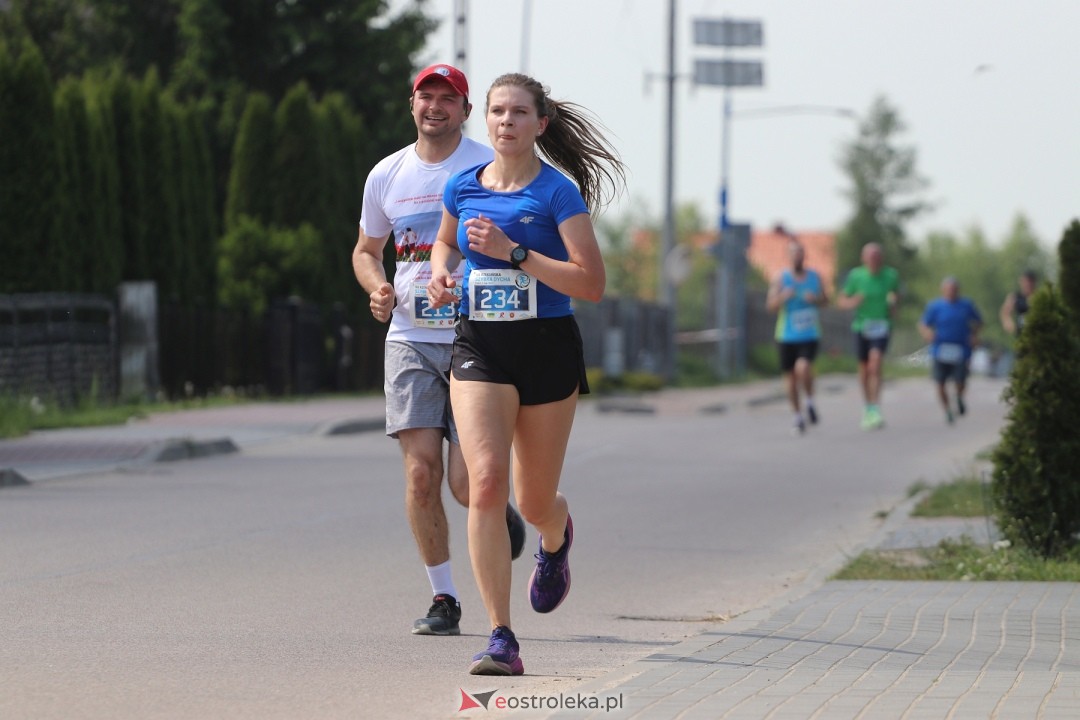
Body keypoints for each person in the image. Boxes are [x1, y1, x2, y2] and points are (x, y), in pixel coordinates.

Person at [426, 73, 626, 676]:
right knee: (485, 485)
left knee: (532, 498)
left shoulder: (558, 194)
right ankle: (500, 637)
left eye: (518, 112)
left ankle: (556, 536)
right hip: (480, 346)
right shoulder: (462, 187)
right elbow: (445, 245)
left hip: (546, 347)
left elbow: (590, 283)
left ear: (541, 124)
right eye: (496, 111)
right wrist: (441, 274)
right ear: (483, 121)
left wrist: (517, 252)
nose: (505, 121)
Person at [351, 63, 525, 638]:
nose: (435, 107)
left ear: (465, 110)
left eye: (448, 99)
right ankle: (445, 599)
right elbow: (366, 249)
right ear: (412, 104)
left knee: (464, 483)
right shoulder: (387, 174)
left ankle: (498, 511)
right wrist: (377, 285)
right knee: (422, 476)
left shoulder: (485, 166)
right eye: (426, 96)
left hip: (473, 336)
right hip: (408, 339)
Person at [766, 238, 828, 434]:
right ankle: (797, 416)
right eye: (793, 254)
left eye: (800, 254)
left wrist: (815, 299)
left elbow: (826, 301)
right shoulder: (780, 278)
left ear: (804, 256)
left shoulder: (815, 277)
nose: (797, 258)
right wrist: (783, 296)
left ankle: (809, 400)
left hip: (809, 334)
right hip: (786, 335)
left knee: (804, 367)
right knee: (790, 379)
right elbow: (770, 306)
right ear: (789, 257)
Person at [837, 243, 900, 430]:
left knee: (876, 362)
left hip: (882, 326)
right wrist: (853, 301)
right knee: (864, 370)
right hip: (861, 327)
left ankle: (876, 408)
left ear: (881, 259)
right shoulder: (856, 276)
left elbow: (896, 301)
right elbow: (841, 301)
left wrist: (894, 304)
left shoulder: (890, 276)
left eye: (877, 257)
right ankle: (867, 407)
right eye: (870, 257)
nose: (874, 260)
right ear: (864, 259)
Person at [918, 277, 983, 424]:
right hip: (940, 349)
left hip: (961, 349)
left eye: (953, 289)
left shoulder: (966, 305)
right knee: (940, 382)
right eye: (948, 289)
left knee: (961, 379)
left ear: (958, 290)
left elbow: (979, 322)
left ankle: (959, 396)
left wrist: (974, 335)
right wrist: (927, 333)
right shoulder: (935, 306)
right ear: (943, 290)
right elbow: (923, 324)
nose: (951, 292)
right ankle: (947, 409)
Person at [999, 270, 1038, 337]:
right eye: (1026, 281)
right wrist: (1011, 326)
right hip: (1021, 333)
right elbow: (1005, 313)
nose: (1028, 284)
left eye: (1030, 282)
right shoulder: (1015, 297)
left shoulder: (1038, 296)